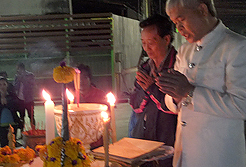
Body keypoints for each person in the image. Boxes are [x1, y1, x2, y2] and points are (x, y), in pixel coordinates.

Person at [156, 0, 246, 166]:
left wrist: (189, 92)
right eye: (175, 23)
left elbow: (242, 105)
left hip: (218, 156)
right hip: (184, 155)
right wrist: (174, 96)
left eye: (181, 20)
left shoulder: (237, 47)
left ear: (202, 10)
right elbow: (173, 102)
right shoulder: (184, 50)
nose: (178, 29)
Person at [129, 14, 178, 166]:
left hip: (170, 137)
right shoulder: (145, 68)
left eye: (151, 42)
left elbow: (177, 105)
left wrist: (151, 89)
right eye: (143, 43)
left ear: (167, 39)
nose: (146, 48)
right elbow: (135, 104)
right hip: (145, 136)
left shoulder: (178, 66)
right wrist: (143, 92)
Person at [76, 63, 107, 149]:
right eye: (79, 78)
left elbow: (107, 118)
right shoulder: (72, 98)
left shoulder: (100, 95)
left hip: (96, 141)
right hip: (77, 142)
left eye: (84, 77)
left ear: (90, 78)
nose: (81, 81)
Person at [0, 77, 22, 147]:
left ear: (7, 85)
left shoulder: (12, 95)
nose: (2, 86)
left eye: (4, 84)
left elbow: (17, 107)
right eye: (0, 85)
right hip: (1, 126)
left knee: (12, 144)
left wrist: (7, 102)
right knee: (4, 145)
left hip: (12, 124)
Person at [13, 63, 36, 130]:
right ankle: (22, 132)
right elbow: (15, 87)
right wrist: (18, 80)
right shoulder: (17, 76)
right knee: (21, 117)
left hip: (29, 99)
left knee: (31, 116)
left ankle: (33, 131)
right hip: (20, 99)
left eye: (18, 69)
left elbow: (32, 86)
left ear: (21, 68)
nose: (17, 70)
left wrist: (22, 79)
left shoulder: (30, 75)